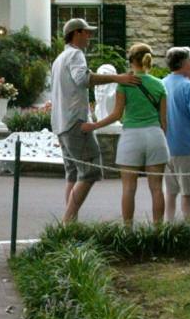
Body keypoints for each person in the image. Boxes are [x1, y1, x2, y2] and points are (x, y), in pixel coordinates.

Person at [51, 18, 139, 224]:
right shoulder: (75, 54)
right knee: (90, 172)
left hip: (61, 123)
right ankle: (67, 223)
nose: (89, 36)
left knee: (73, 174)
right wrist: (117, 78)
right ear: (76, 33)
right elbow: (83, 79)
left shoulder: (60, 58)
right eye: (87, 32)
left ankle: (70, 225)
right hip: (75, 122)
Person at [84, 43, 169, 227]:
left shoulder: (125, 84)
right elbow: (164, 121)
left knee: (129, 188)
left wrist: (95, 125)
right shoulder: (160, 84)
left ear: (131, 60)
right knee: (156, 189)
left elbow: (116, 114)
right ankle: (159, 231)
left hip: (132, 136)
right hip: (155, 135)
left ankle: (128, 230)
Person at [161, 46, 190, 221]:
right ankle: (188, 227)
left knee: (170, 192)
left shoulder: (161, 83)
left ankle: (169, 225)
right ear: (184, 63)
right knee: (188, 193)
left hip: (165, 145)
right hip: (187, 146)